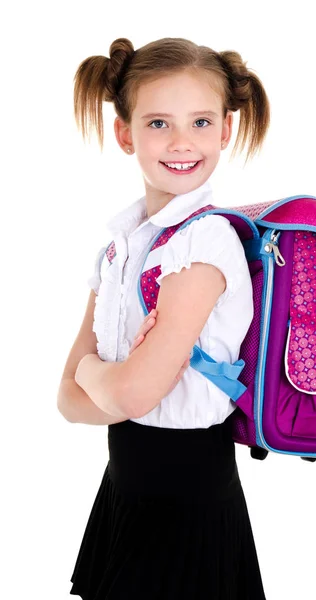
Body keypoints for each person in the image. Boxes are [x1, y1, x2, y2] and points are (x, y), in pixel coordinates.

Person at [57, 36, 270, 600]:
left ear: (226, 129)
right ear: (125, 133)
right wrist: (108, 381)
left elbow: (125, 398)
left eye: (201, 122)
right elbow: (68, 403)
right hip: (125, 496)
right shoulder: (121, 247)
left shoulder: (206, 243)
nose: (181, 142)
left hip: (187, 510)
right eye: (158, 123)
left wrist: (95, 374)